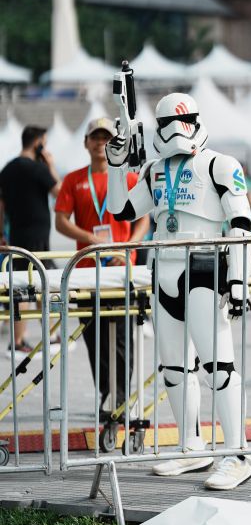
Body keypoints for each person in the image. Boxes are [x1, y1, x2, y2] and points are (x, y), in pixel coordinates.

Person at [106, 92, 251, 491]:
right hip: (163, 270)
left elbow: (241, 224)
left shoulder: (220, 165)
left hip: (205, 267)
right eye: (167, 123)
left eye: (183, 120)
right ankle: (192, 445)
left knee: (219, 367)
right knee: (175, 368)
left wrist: (238, 280)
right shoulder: (155, 170)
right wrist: (116, 166)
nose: (175, 130)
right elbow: (122, 211)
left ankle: (237, 453)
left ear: (196, 121)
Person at [55, 117, 149, 412]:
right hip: (86, 272)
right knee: (93, 339)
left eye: (106, 138)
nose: (100, 143)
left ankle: (120, 399)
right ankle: (107, 394)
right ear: (86, 143)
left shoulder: (128, 179)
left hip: (119, 270)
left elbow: (144, 218)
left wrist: (129, 246)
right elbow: (60, 221)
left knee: (120, 337)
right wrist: (89, 239)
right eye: (95, 137)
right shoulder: (73, 180)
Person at [0, 125, 61, 354]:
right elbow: (60, 194)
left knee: (20, 286)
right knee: (46, 283)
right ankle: (51, 335)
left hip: (16, 234)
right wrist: (51, 165)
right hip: (38, 236)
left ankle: (17, 341)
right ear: (38, 143)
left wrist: (1, 233)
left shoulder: (7, 169)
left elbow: (1, 205)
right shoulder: (38, 168)